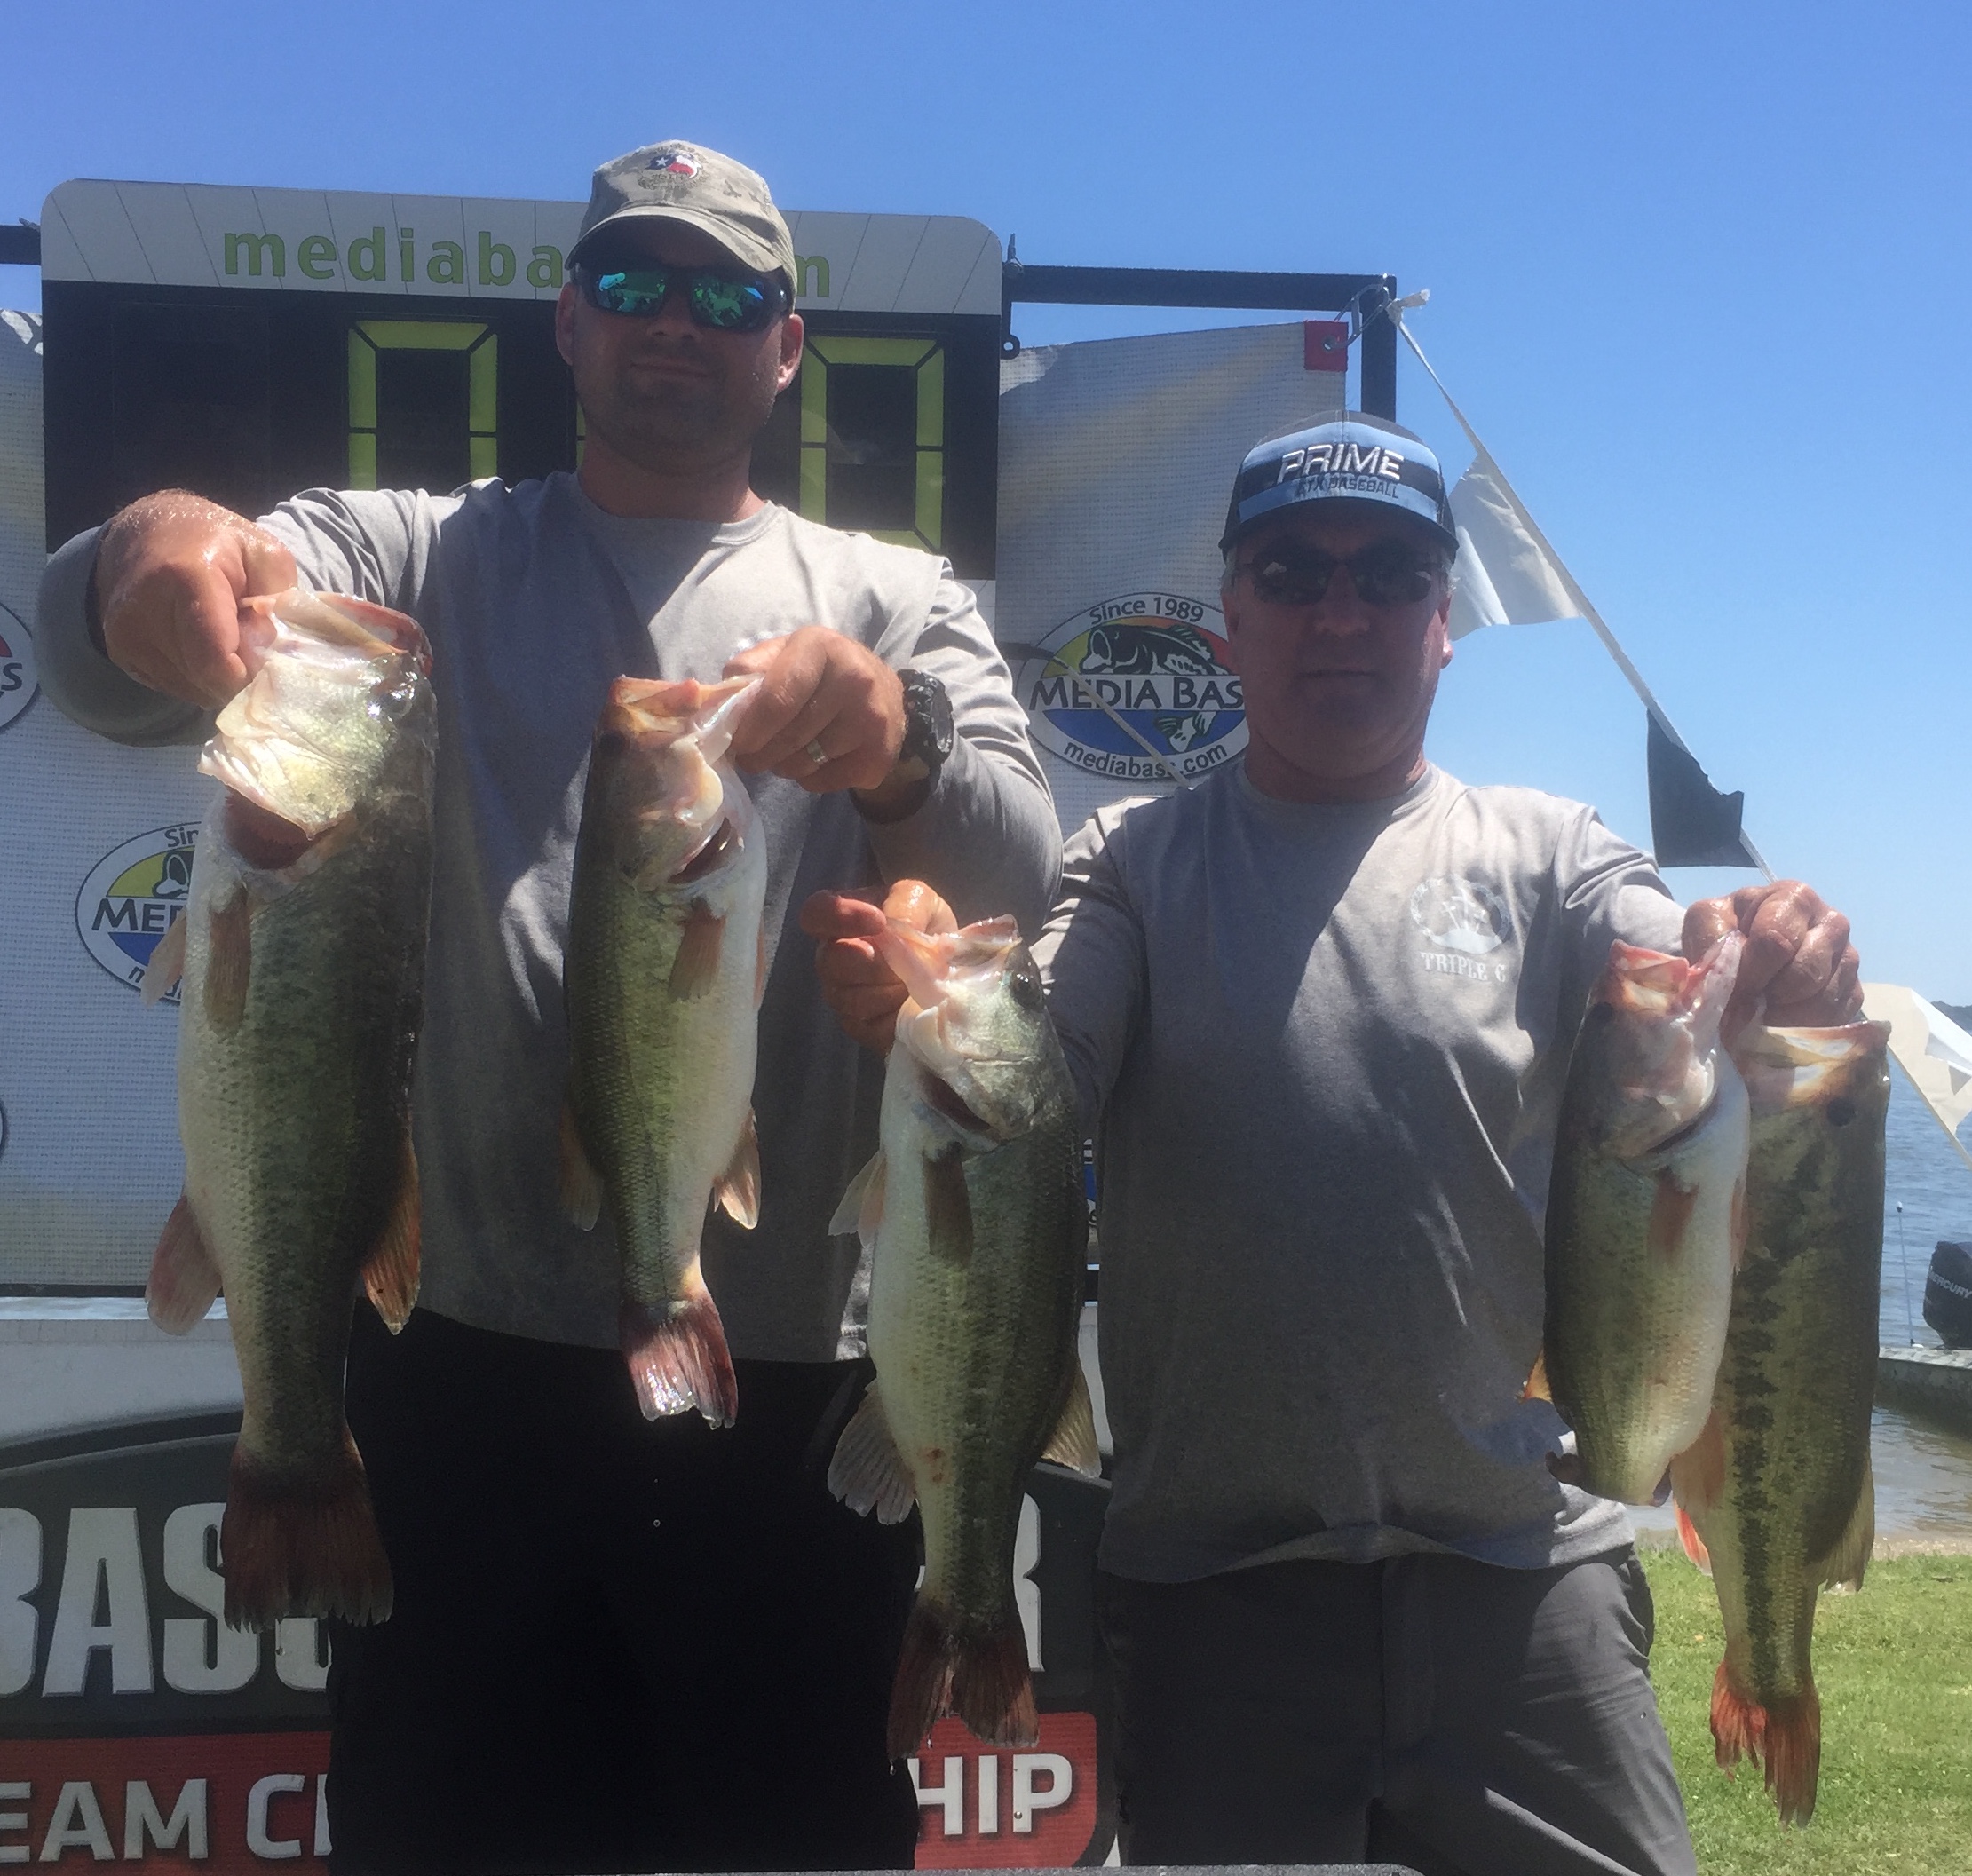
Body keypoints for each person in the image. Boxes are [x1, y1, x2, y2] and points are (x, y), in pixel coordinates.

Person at [36, 141, 1060, 1874]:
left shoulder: (894, 598)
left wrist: (898, 744)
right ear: (569, 322)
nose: (678, 321)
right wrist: (152, 553)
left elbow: (1017, 875)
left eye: (726, 293)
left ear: (786, 347)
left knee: (790, 1847)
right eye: (636, 284)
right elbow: (96, 632)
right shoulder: (413, 553)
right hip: (453, 1369)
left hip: (781, 1375)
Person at [804, 413, 1862, 1876]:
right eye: (1293, 571)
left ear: (1443, 623)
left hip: (1524, 1575)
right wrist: (923, 997)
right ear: (1231, 618)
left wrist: (1765, 951)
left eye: (1390, 573)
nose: (1341, 609)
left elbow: (1682, 965)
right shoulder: (1132, 860)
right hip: (1215, 1596)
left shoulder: (1552, 853)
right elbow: (1039, 1069)